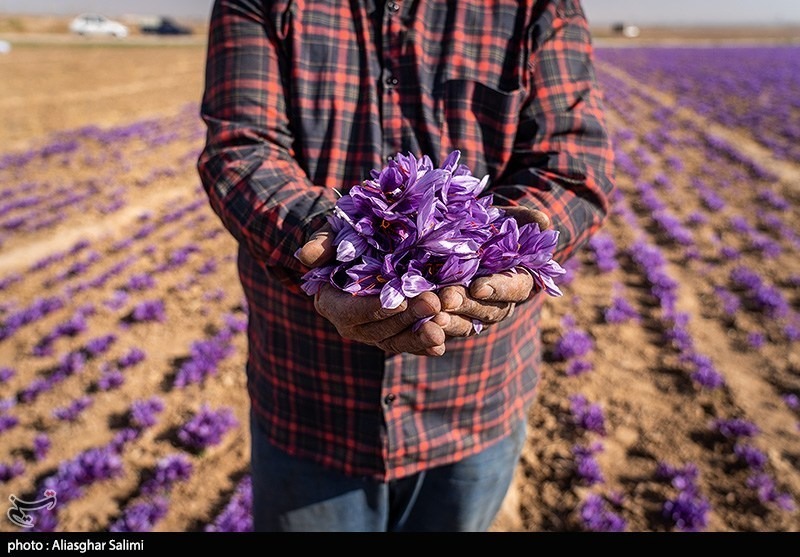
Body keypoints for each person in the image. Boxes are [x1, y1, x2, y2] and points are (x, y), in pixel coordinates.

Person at [197, 0, 615, 532]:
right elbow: (240, 148)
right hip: (311, 400)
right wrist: (324, 233)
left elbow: (576, 164)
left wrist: (499, 248)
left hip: (471, 402)